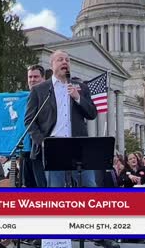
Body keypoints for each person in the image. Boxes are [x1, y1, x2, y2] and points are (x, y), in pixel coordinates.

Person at [25, 50, 97, 187]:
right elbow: (29, 121)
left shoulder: (81, 88)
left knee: (89, 186)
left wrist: (78, 98)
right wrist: (42, 142)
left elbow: (92, 114)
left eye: (67, 60)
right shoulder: (39, 90)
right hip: (53, 146)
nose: (65, 62)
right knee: (56, 189)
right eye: (60, 59)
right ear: (51, 65)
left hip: (79, 146)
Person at [22, 64, 48, 188]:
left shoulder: (48, 96)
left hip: (40, 149)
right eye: (30, 77)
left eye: (36, 77)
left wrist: (41, 142)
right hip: (25, 151)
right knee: (29, 185)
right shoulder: (23, 97)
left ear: (43, 78)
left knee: (43, 185)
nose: (32, 80)